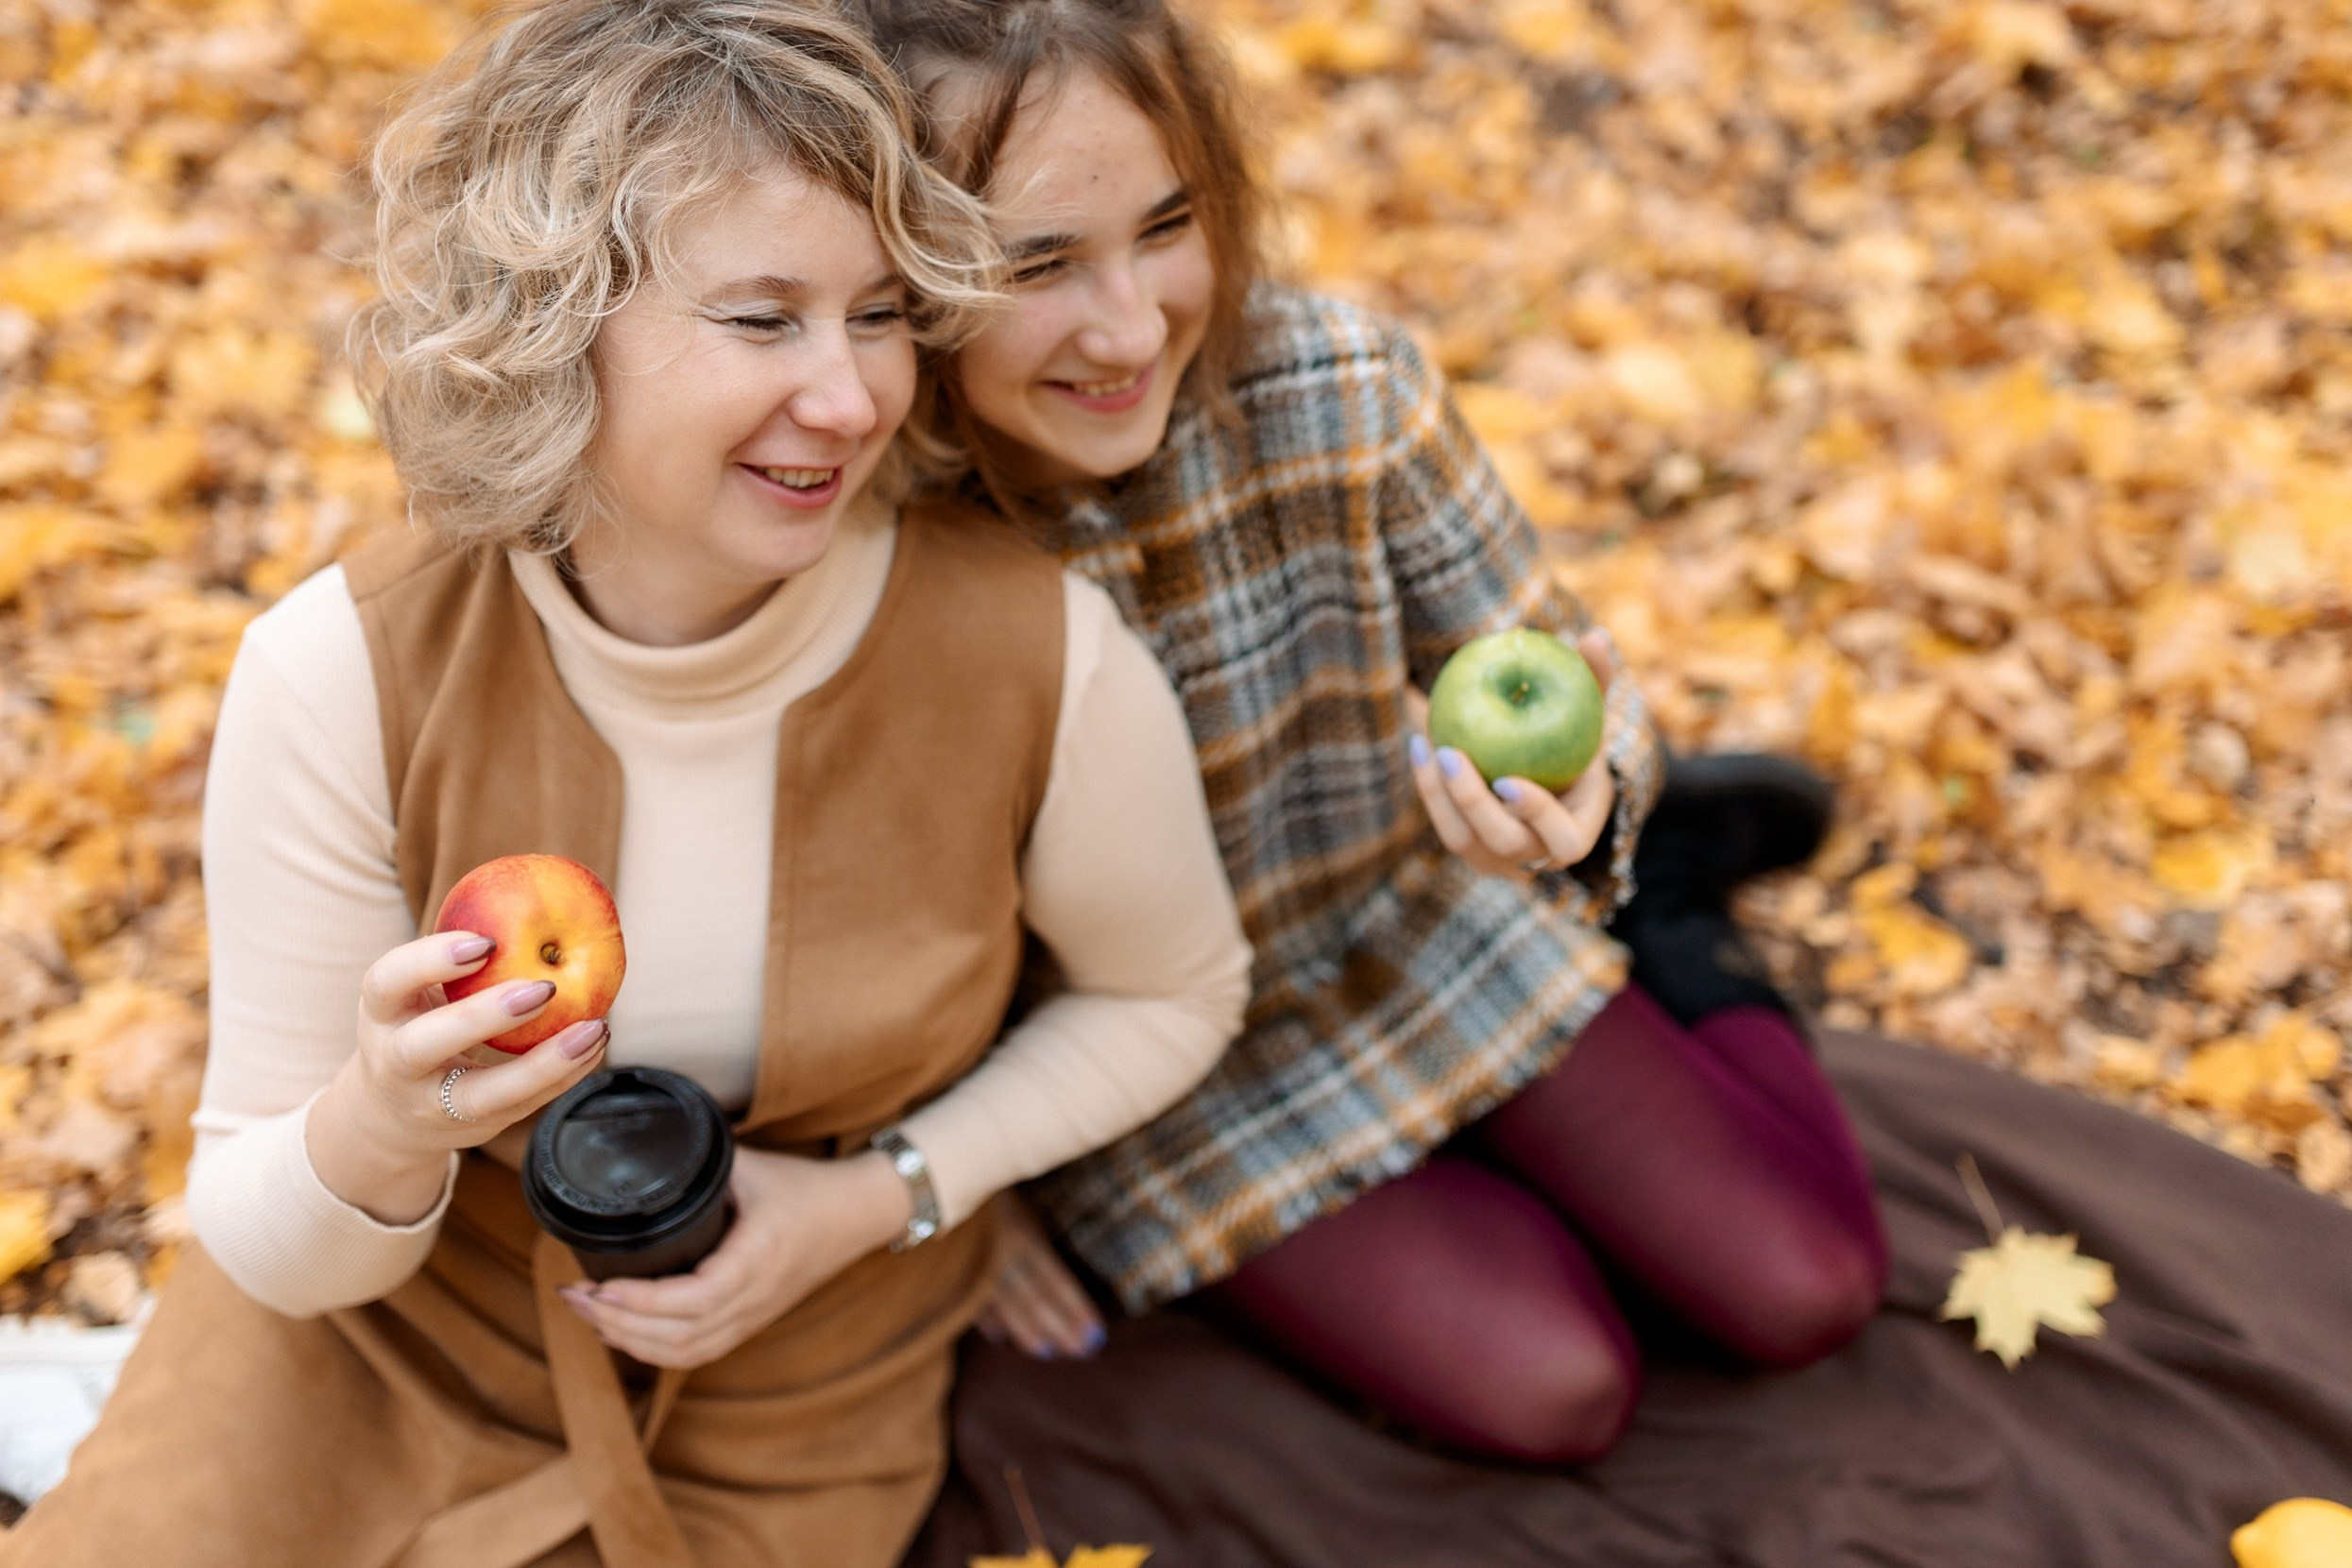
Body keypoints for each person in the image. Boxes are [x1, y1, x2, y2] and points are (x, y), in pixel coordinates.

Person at [0, 4, 1250, 1565]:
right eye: (760, 318)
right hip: (374, 1350)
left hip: (788, 1372)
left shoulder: (1034, 656)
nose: (852, 398)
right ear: (555, 316)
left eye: (875, 315)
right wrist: (382, 1121)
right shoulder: (341, 670)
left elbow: (1173, 996)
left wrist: (892, 1200)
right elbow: (273, 1244)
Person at [851, 0, 1889, 1463]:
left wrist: (1590, 804)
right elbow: (857, 943)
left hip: (1410, 916)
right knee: (1555, 1390)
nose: (1131, 322)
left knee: (1811, 1287)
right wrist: (972, 1182)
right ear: (905, 271)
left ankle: (1673, 910)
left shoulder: (1340, 392)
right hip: (1137, 1071)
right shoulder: (870, 550)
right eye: (1037, 264)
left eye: (1166, 225)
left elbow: (1556, 669)